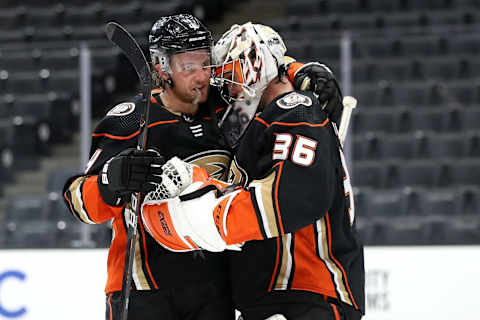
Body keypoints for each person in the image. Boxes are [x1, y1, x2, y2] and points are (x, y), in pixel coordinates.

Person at [63, 14, 344, 320]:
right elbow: (78, 201)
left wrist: (300, 70)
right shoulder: (131, 120)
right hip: (146, 288)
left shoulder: (229, 110)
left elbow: (262, 63)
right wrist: (110, 180)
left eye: (206, 63)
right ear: (161, 67)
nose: (201, 76)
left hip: (216, 290)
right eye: (188, 66)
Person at [141, 22, 365, 320]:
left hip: (306, 292)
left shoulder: (295, 111)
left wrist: (208, 220)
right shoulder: (264, 119)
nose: (230, 88)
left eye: (232, 73)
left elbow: (293, 198)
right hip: (275, 295)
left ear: (254, 64)